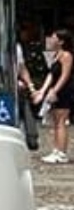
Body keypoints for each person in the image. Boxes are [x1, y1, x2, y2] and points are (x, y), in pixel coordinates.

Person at [33, 29, 73, 164]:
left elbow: (65, 75)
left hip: (64, 90)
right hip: (53, 90)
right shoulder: (54, 55)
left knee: (62, 121)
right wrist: (42, 91)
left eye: (54, 37)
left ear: (61, 41)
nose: (51, 39)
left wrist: (55, 90)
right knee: (55, 121)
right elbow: (50, 75)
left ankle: (62, 153)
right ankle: (56, 149)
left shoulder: (66, 55)